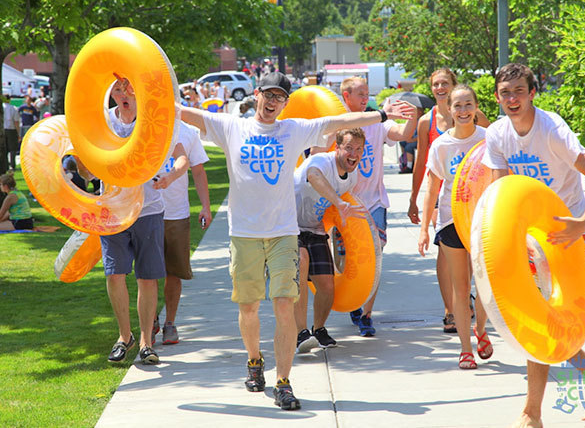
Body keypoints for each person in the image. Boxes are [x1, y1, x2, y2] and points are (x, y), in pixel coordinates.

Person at [178, 72, 415, 410]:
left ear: (286, 103)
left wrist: (381, 115)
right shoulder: (233, 127)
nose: (273, 102)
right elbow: (185, 113)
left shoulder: (294, 130)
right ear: (257, 94)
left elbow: (340, 119)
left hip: (283, 233)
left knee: (284, 306)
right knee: (248, 308)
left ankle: (284, 382)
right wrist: (143, 98)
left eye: (280, 98)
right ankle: (254, 360)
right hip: (244, 233)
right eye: (269, 95)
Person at [482, 63, 585, 427]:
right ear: (497, 97)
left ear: (532, 93)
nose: (512, 99)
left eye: (519, 91)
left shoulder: (552, 128)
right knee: (538, 314)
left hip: (566, 231)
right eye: (505, 93)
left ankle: (532, 414)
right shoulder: (496, 135)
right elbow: (500, 193)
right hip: (530, 235)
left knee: (538, 315)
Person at [77, 78, 188, 365]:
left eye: (129, 89)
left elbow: (181, 157)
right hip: (112, 211)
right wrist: (82, 160)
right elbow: (88, 174)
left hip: (149, 209)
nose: (123, 94)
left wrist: (171, 176)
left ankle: (146, 343)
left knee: (147, 278)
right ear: (111, 93)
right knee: (114, 274)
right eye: (117, 89)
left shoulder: (155, 122)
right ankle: (123, 336)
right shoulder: (102, 123)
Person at [408, 68, 489, 333]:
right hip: (447, 206)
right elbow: (424, 167)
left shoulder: (485, 133)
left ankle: (480, 322)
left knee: (480, 273)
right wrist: (417, 204)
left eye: (445, 83)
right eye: (436, 84)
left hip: (480, 212)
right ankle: (452, 311)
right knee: (448, 258)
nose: (440, 87)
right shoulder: (432, 131)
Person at [338, 76, 417, 337]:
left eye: (367, 94)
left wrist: (412, 118)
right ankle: (353, 300)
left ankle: (366, 314)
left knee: (375, 258)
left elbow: (404, 134)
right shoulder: (335, 124)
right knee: (346, 259)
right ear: (346, 97)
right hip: (345, 204)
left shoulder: (378, 122)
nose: (365, 98)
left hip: (374, 203)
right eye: (360, 94)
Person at [293, 128, 366, 353]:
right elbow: (314, 177)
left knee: (326, 284)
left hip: (314, 228)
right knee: (301, 261)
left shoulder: (352, 176)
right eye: (348, 148)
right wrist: (337, 200)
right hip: (288, 224)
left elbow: (338, 211)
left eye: (358, 150)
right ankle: (300, 333)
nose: (353, 154)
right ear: (337, 147)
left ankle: (319, 329)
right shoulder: (322, 161)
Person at [154, 121, 212, 346]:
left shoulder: (187, 132)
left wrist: (205, 206)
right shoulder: (142, 125)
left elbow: (198, 170)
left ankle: (169, 322)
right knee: (147, 273)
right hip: (146, 212)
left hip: (177, 213)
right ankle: (150, 322)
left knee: (174, 272)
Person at [2, 96, 21, 170]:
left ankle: (6, 165)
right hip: (11, 129)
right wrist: (18, 133)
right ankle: (13, 165)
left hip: (3, 129)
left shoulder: (0, 108)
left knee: (5, 149)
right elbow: (16, 122)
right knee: (12, 149)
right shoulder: (13, 108)